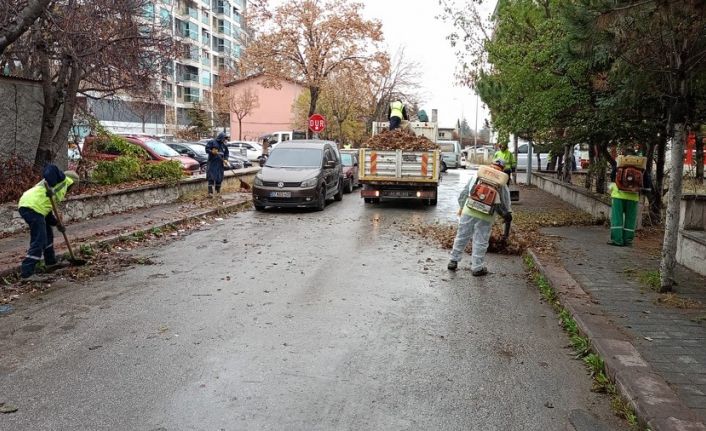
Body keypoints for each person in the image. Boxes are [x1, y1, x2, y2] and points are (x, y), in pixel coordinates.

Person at [447, 159, 513, 276]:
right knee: (480, 240)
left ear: (490, 166)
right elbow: (505, 202)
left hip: (469, 209)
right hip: (487, 214)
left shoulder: (478, 175)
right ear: (502, 170)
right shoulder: (501, 183)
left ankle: (453, 261)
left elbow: (464, 193)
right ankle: (477, 268)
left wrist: (462, 207)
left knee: (462, 235)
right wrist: (507, 214)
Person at [17, 164, 78, 281]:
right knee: (39, 239)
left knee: (48, 235)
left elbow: (48, 213)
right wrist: (51, 184)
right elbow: (51, 168)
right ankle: (27, 273)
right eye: (74, 187)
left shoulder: (61, 190)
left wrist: (57, 223)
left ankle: (50, 262)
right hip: (32, 206)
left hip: (36, 207)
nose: (73, 189)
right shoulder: (64, 179)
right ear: (73, 183)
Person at [607, 149, 646, 247]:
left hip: (618, 195)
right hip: (633, 197)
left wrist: (610, 188)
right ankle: (628, 241)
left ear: (624, 156)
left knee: (617, 218)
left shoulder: (620, 164)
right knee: (630, 219)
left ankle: (617, 240)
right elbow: (646, 181)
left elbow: (612, 177)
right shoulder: (640, 167)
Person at [206, 132, 230, 197]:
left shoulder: (224, 145)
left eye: (225, 139)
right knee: (211, 178)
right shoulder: (212, 142)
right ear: (221, 137)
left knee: (219, 178)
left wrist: (225, 159)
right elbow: (206, 149)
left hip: (220, 164)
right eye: (224, 138)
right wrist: (211, 151)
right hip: (212, 163)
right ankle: (210, 193)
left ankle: (217, 192)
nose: (224, 140)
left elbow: (226, 153)